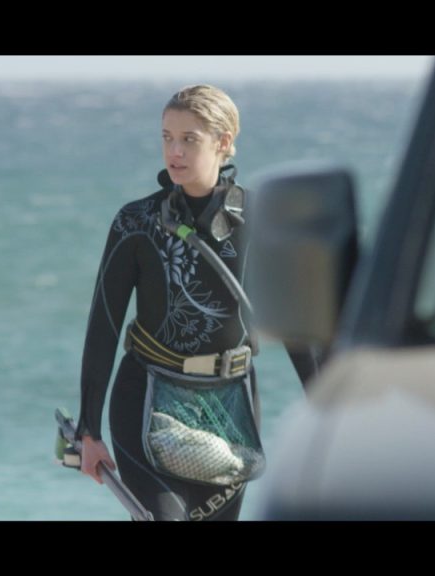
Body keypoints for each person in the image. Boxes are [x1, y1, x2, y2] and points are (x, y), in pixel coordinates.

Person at [75, 84, 262, 521]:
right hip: (146, 400)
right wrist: (88, 430)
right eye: (167, 137)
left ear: (223, 142)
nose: (174, 151)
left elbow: (299, 332)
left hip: (229, 408)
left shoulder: (262, 219)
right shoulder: (136, 222)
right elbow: (103, 325)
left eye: (189, 139)